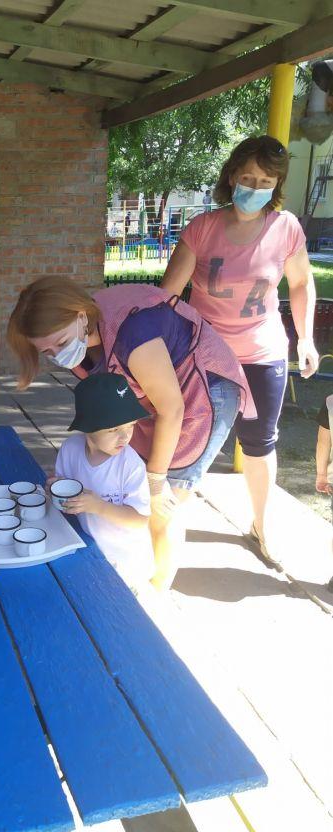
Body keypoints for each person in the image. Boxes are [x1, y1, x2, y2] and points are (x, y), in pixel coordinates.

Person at [7, 275, 254, 591]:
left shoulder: (133, 334)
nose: (57, 354)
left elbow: (173, 409)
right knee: (143, 485)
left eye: (61, 343)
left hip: (201, 392)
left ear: (81, 316)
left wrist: (156, 482)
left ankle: (157, 592)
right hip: (152, 397)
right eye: (48, 351)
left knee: (163, 504)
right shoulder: (81, 336)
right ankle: (140, 571)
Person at [161, 135, 318, 565]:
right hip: (205, 356)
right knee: (186, 438)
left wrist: (305, 339)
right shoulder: (203, 228)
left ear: (277, 185)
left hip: (262, 354)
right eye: (247, 177)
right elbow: (168, 295)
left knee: (260, 443)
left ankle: (262, 527)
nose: (255, 186)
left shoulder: (286, 228)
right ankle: (164, 524)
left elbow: (301, 282)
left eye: (266, 180)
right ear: (232, 176)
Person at [52, 373, 153, 590]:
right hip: (90, 546)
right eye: (114, 429)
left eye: (131, 425)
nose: (125, 437)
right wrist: (54, 488)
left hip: (127, 561)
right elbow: (62, 483)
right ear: (87, 427)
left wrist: (99, 506)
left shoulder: (130, 465)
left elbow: (140, 520)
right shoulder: (71, 449)